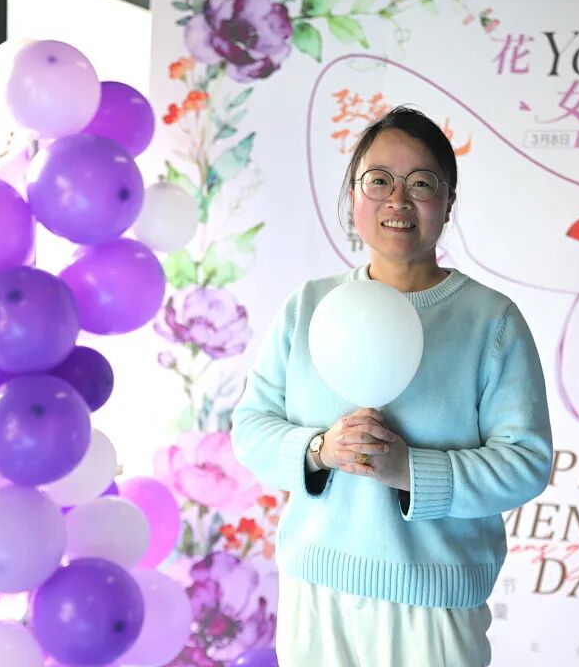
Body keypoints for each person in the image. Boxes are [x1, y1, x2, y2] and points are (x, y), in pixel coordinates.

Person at [232, 106, 553, 666]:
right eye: (378, 180)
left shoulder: (490, 321)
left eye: (421, 183)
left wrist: (409, 469)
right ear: (353, 194)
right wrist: (320, 450)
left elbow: (525, 463)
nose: (398, 201)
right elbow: (250, 428)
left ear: (448, 202)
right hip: (316, 593)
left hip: (434, 604)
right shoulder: (309, 306)